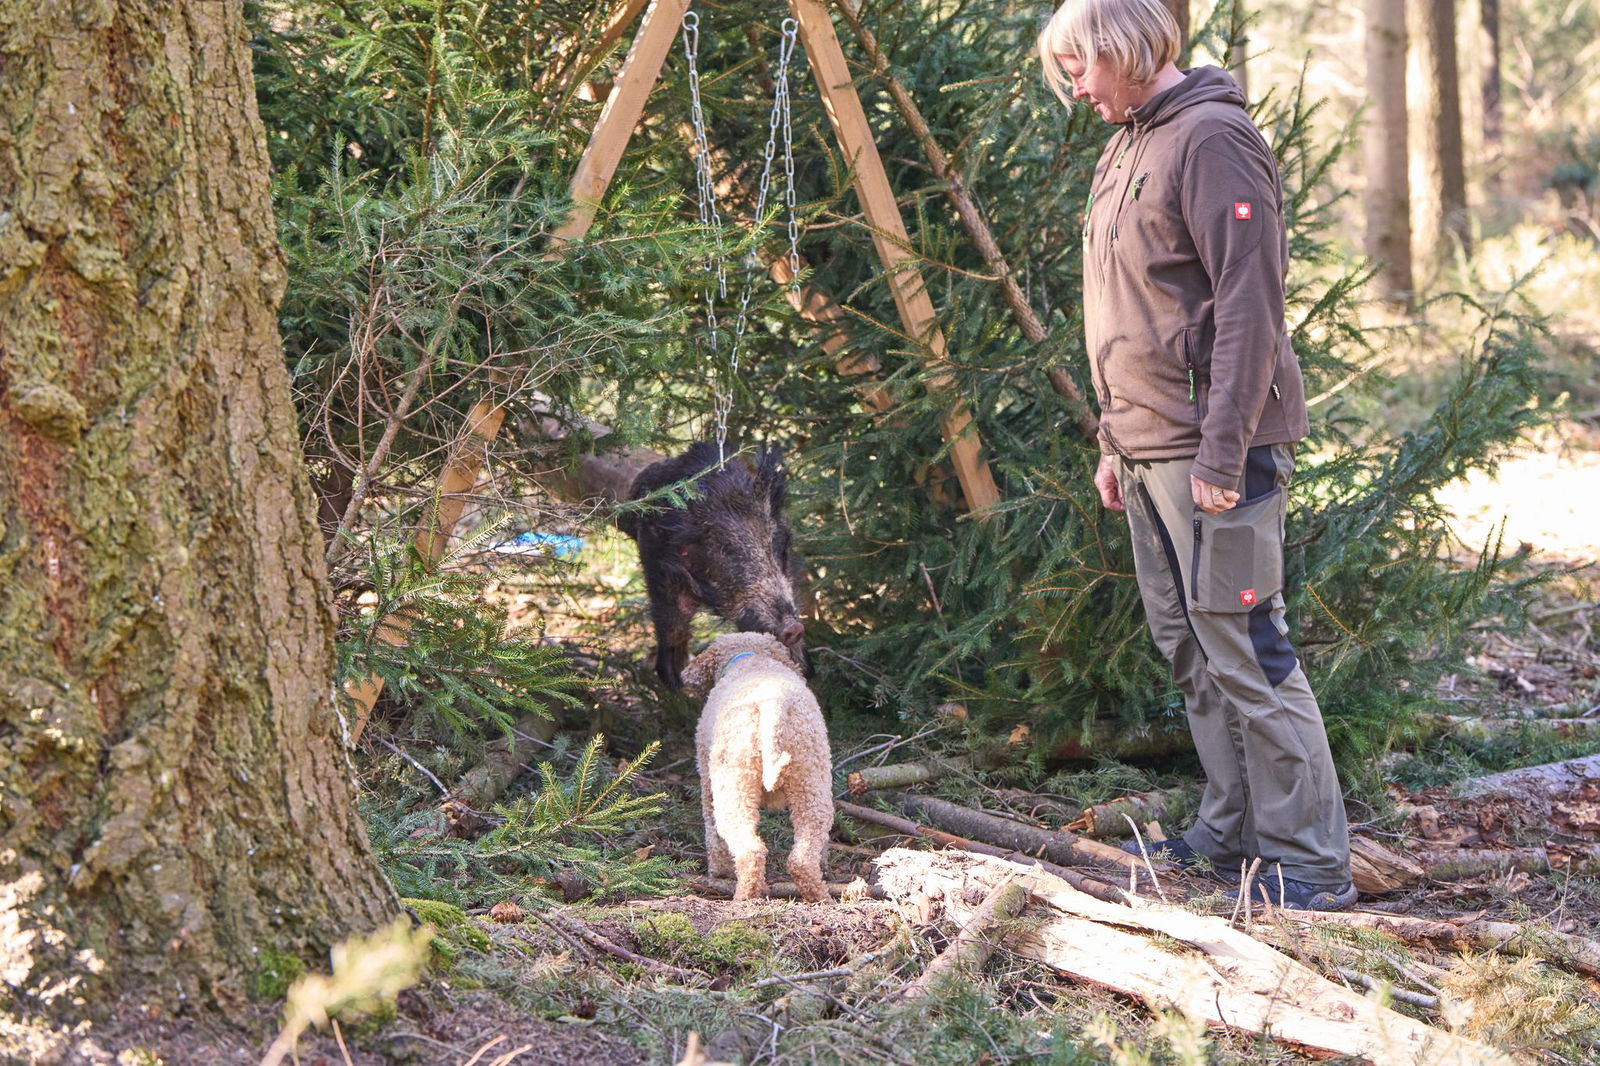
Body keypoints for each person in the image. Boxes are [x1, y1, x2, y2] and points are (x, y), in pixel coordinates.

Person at [1037, 0, 1356, 910]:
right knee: (1188, 645)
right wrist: (1113, 438)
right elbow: (1130, 307)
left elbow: (1249, 309)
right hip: (1144, 449)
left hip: (1214, 451)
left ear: (1126, 49)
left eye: (1082, 67)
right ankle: (1230, 831)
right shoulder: (1127, 143)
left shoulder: (1213, 139)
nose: (1077, 87)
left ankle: (1309, 862)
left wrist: (1222, 453)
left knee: (1248, 645)